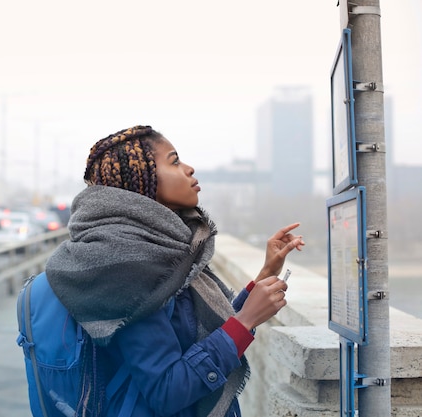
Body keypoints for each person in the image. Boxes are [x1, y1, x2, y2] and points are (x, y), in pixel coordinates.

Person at [44, 125, 304, 417]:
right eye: (174, 161)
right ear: (142, 180)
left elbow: (193, 331)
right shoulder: (128, 267)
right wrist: (244, 321)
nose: (189, 169)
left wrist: (266, 273)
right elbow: (166, 391)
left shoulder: (156, 250)